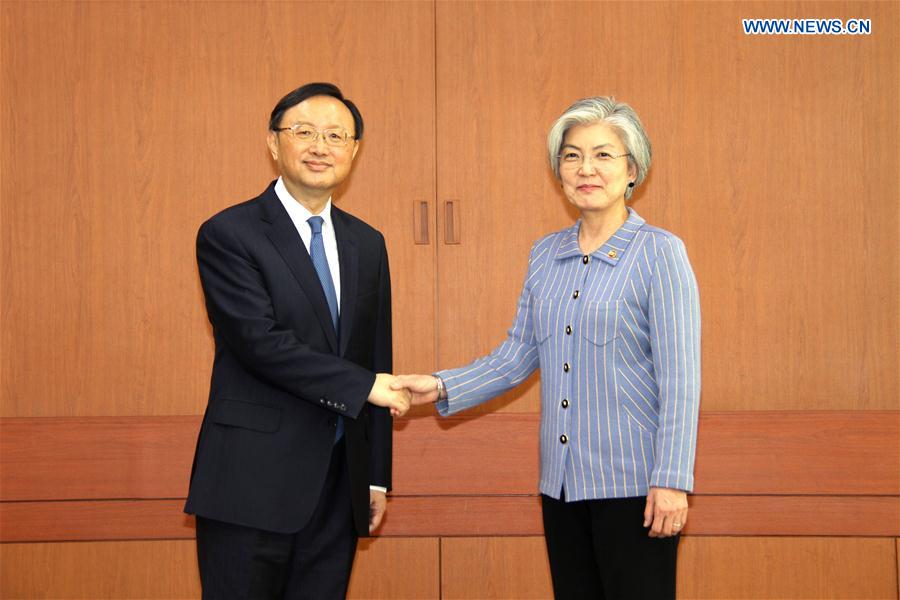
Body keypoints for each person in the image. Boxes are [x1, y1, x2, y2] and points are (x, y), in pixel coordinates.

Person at [394, 97, 700, 599]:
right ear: (558, 170)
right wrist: (439, 384)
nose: (586, 169)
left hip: (637, 489)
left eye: (604, 155)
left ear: (633, 170)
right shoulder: (545, 253)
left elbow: (681, 379)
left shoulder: (659, 253)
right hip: (560, 484)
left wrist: (671, 479)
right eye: (572, 155)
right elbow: (516, 355)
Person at [184, 82, 410, 599]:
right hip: (249, 483)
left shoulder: (367, 243)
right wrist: (365, 387)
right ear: (273, 142)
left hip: (337, 485)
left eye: (336, 135)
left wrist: (375, 477)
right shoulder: (229, 233)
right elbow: (260, 342)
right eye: (303, 131)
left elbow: (375, 354)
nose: (320, 146)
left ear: (354, 150)